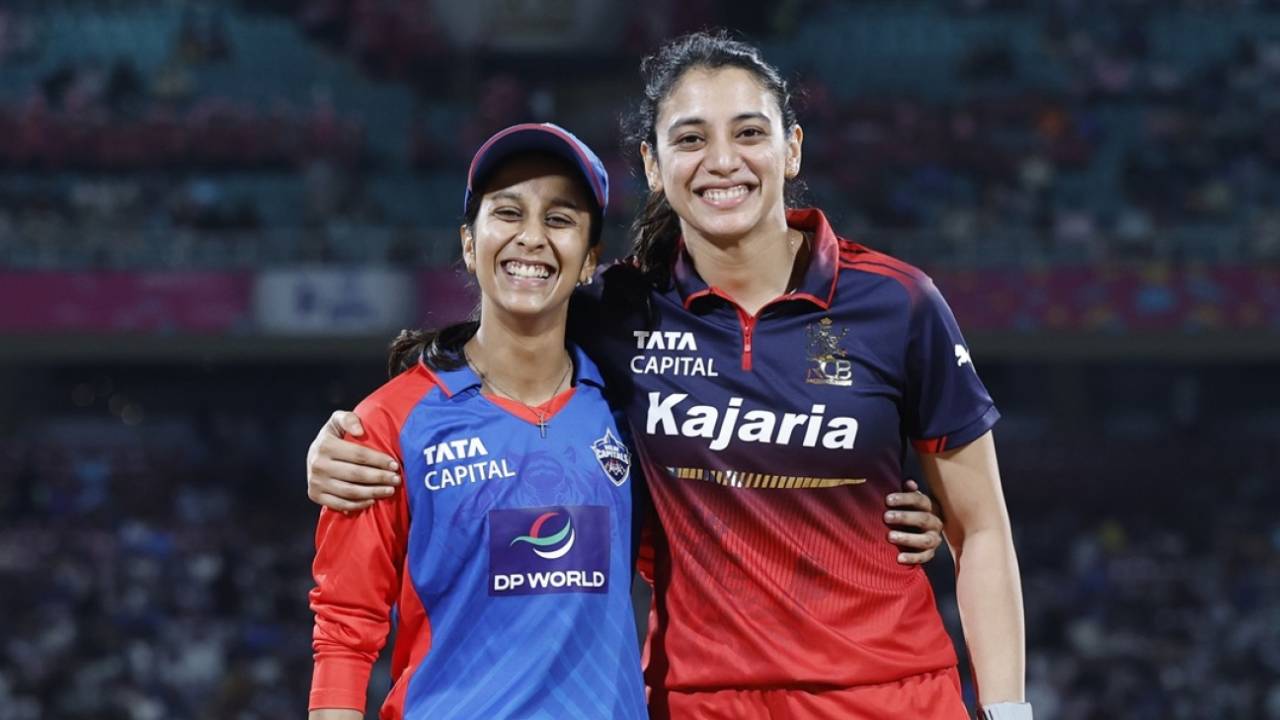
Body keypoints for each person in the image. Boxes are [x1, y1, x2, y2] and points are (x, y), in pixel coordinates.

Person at [308, 31, 1029, 720]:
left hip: (888, 695)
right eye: (690, 138)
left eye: (749, 133)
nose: (722, 161)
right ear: (654, 166)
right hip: (697, 700)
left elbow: (983, 528)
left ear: (792, 147)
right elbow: (502, 347)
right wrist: (348, 441)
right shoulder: (617, 314)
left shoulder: (898, 303)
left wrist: (1006, 711)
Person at [308, 124, 648, 719]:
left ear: (591, 259)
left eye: (560, 219)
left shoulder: (630, 411)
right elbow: (344, 630)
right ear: (469, 243)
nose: (531, 238)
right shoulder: (388, 424)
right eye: (508, 212)